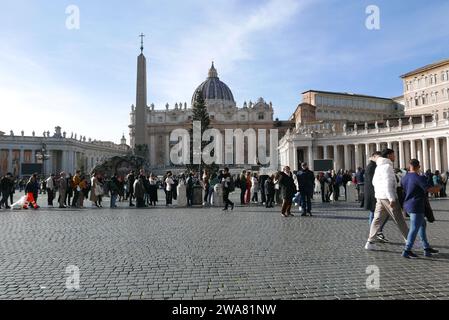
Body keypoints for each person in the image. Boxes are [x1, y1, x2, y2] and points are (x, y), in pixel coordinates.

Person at [365, 149, 409, 251]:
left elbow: (374, 182)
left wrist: (378, 194)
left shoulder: (379, 167)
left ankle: (370, 242)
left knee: (376, 220)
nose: (395, 157)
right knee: (399, 219)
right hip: (388, 198)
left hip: (380, 197)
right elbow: (388, 184)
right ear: (389, 156)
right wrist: (392, 198)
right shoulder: (387, 167)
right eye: (394, 155)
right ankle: (410, 241)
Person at [401, 159, 441, 258]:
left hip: (408, 205)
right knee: (414, 228)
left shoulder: (404, 178)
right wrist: (439, 187)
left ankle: (426, 248)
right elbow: (430, 189)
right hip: (417, 206)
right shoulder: (419, 177)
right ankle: (407, 250)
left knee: (422, 224)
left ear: (409, 166)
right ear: (418, 167)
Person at [364, 151, 389, 243]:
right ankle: (374, 233)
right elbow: (373, 182)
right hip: (373, 194)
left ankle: (376, 233)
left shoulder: (373, 166)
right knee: (374, 215)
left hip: (374, 193)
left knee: (375, 214)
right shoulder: (371, 167)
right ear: (374, 157)